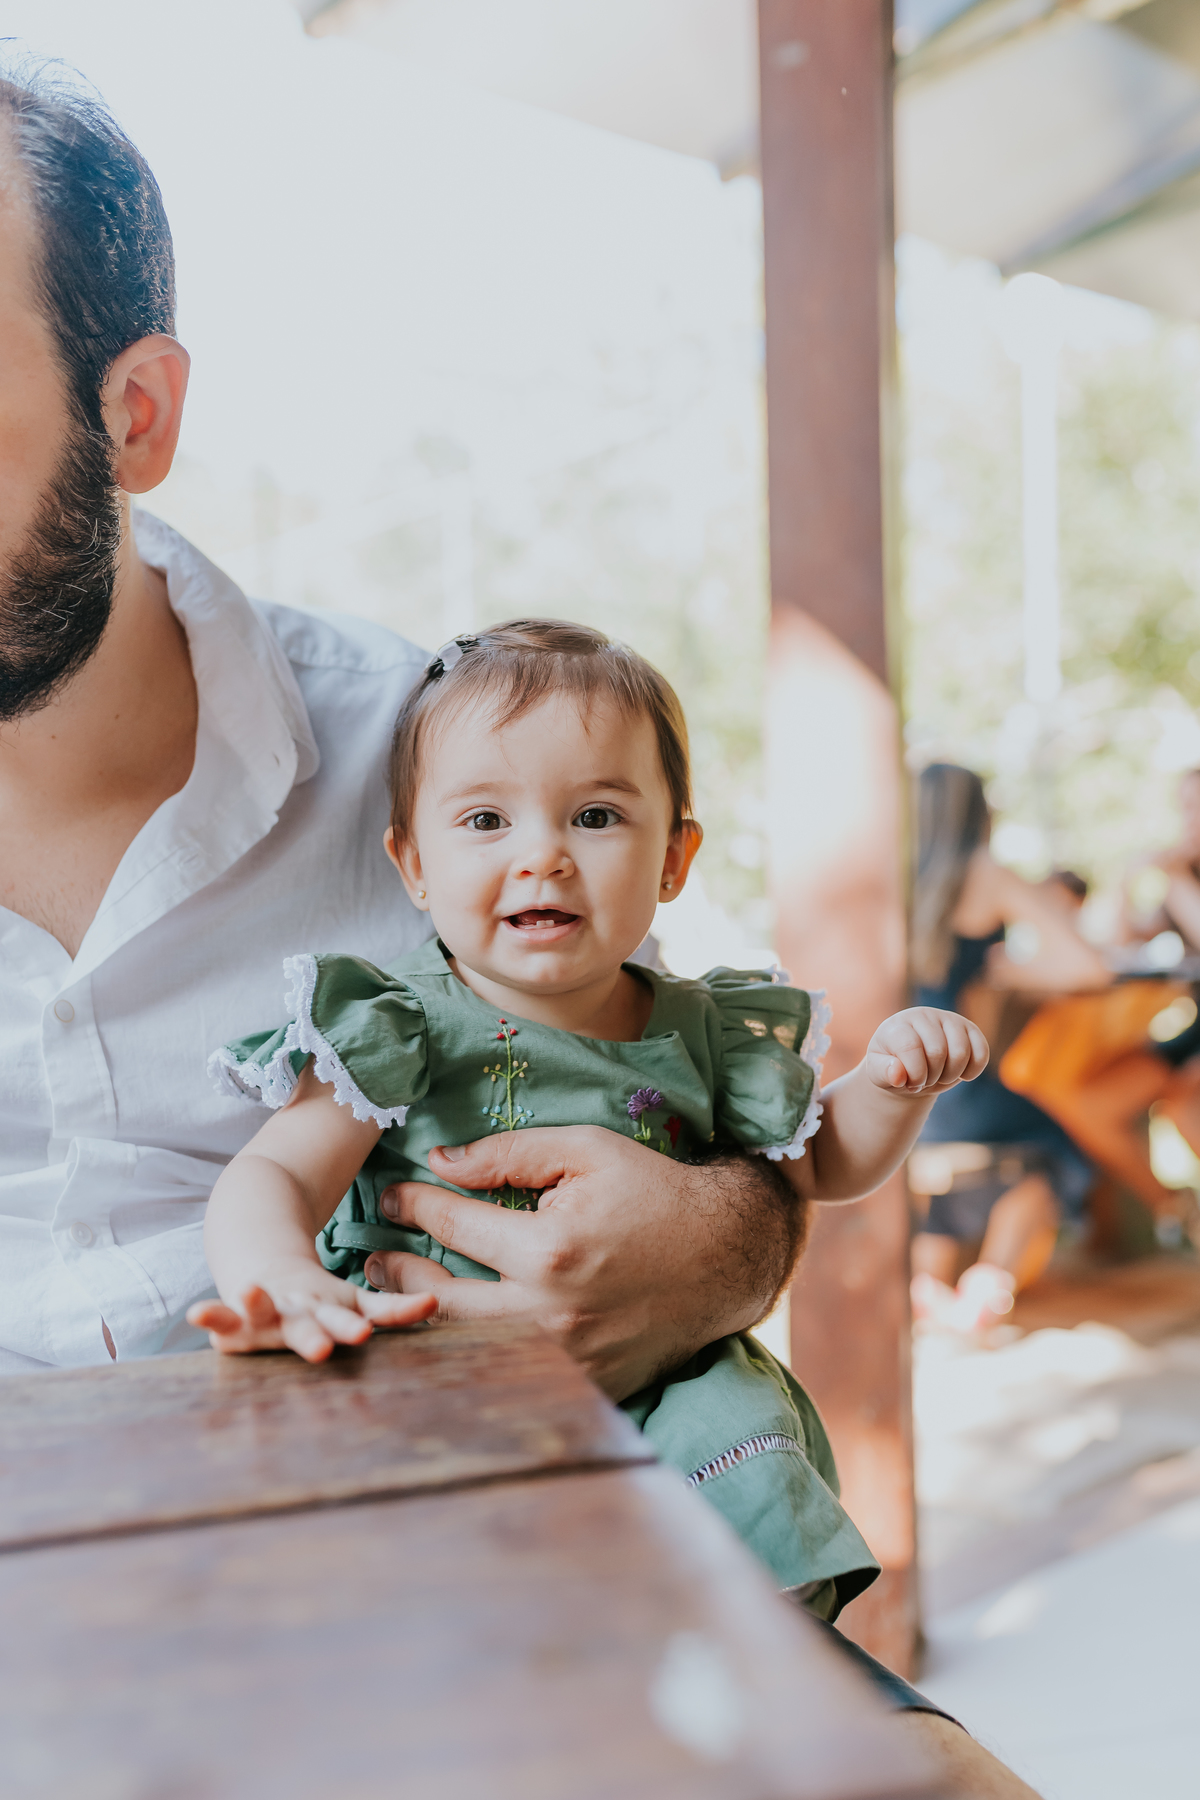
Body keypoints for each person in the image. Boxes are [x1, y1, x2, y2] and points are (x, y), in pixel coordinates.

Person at [0, 64, 1043, 1796]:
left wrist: (732, 1227)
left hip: (437, 1556)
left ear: (138, 415)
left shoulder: (446, 781)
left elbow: (681, 1094)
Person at [190, 618, 988, 1607]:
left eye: (597, 817)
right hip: (438, 1363)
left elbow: (820, 1167)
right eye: (486, 821)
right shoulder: (397, 1026)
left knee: (741, 1447)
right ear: (414, 866)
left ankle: (765, 1662)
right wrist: (280, 1273)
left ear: (673, 859)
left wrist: (889, 1088)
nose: (544, 858)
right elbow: (276, 1172)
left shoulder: (705, 1026)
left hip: (664, 1378)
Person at [909, 765, 1109, 1332]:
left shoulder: (895, 877)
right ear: (976, 812)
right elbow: (1089, 967)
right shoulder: (982, 873)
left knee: (981, 1153)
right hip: (964, 1089)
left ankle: (927, 1283)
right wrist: (1011, 968)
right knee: (1063, 1152)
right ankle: (989, 1284)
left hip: (900, 1089)